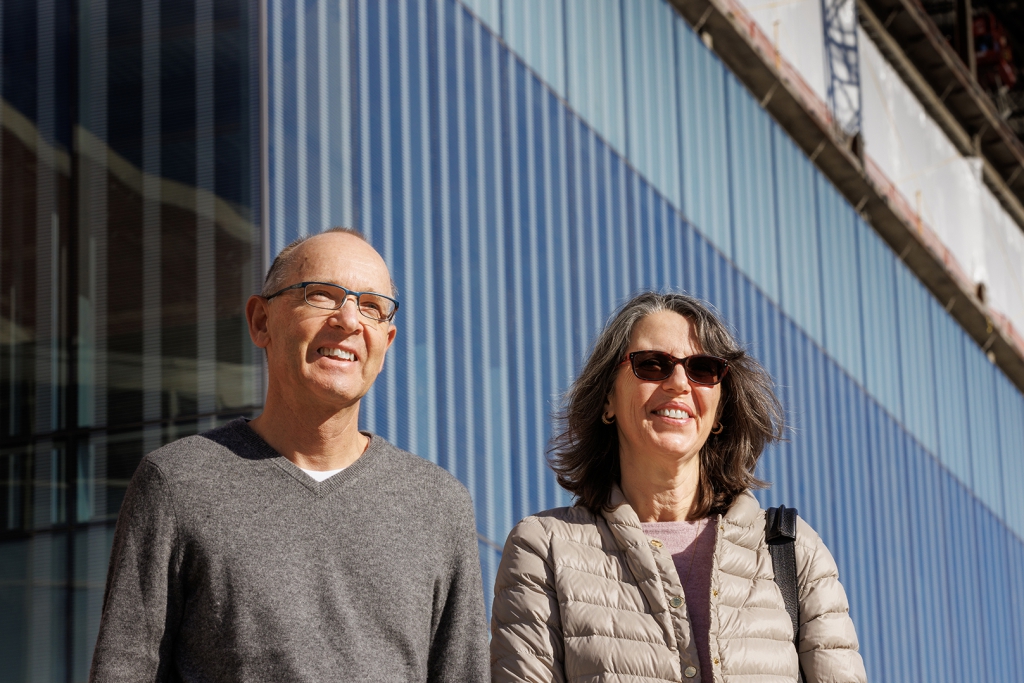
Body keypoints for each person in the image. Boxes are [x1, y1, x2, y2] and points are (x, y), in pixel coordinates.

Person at [90, 228, 489, 683]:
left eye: (372, 307)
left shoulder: (438, 505)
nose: (349, 320)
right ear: (261, 321)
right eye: (321, 295)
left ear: (386, 342)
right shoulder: (178, 483)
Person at [490, 291, 867, 683]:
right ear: (608, 399)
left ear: (719, 411)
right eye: (652, 364)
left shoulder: (793, 550)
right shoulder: (545, 549)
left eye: (703, 369)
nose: (679, 383)